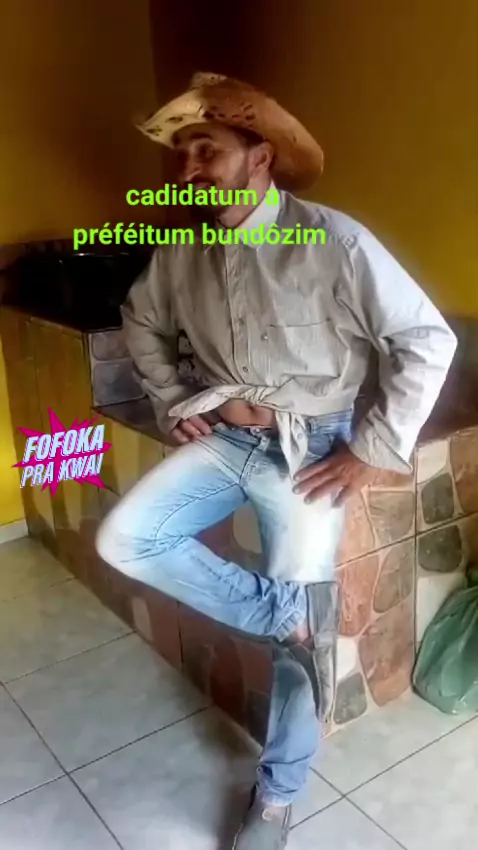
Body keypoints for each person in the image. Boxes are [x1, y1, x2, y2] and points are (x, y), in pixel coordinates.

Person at [96, 72, 457, 849]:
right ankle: (285, 615)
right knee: (126, 539)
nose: (188, 168)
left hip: (311, 452)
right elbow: (140, 319)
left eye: (206, 150)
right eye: (182, 153)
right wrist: (172, 400)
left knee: (303, 644)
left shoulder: (334, 241)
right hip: (225, 441)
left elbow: (426, 340)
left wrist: (370, 449)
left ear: (259, 156)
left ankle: (278, 795)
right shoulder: (183, 249)